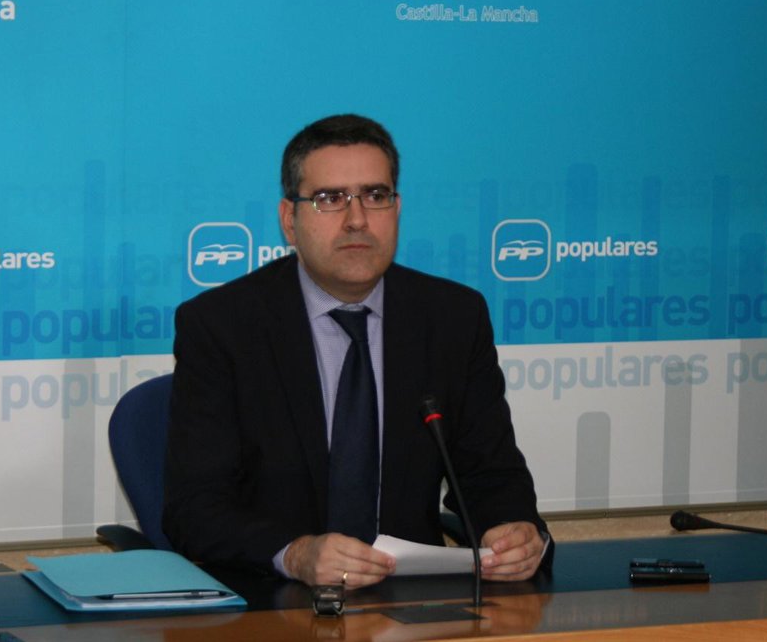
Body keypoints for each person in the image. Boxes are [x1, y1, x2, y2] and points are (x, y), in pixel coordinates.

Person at [163, 114, 549, 587]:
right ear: (289, 220)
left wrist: (514, 531)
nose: (357, 219)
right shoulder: (222, 326)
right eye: (330, 199)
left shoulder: (453, 319)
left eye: (375, 195)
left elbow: (490, 472)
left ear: (397, 208)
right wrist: (295, 554)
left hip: (412, 600)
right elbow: (194, 508)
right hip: (273, 599)